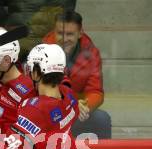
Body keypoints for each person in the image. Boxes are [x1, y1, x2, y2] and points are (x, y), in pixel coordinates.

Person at [43, 10, 111, 138]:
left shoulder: (92, 53)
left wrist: (85, 107)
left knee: (102, 119)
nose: (64, 39)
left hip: (77, 111)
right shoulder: (42, 50)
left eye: (69, 34)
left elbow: (96, 92)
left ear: (80, 33)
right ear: (54, 31)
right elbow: (38, 91)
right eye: (60, 33)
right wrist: (69, 105)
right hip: (50, 109)